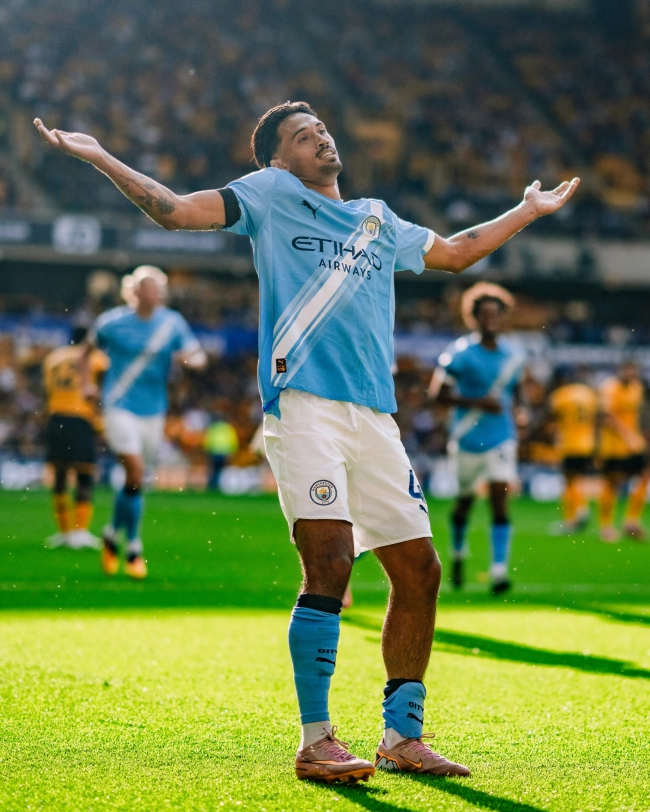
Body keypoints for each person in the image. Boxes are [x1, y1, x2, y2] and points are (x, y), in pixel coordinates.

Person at [35, 102, 578, 782]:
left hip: (374, 417)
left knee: (420, 571)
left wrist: (526, 209)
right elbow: (175, 211)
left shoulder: (378, 218)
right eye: (302, 135)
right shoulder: (270, 194)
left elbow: (457, 252)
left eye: (321, 128)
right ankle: (316, 739)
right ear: (277, 159)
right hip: (303, 409)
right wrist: (100, 156)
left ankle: (402, 737)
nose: (320, 137)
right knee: (332, 563)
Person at [83, 265, 206, 578]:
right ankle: (134, 547)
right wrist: (87, 383)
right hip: (118, 405)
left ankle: (112, 534)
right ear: (135, 291)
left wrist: (189, 360)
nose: (159, 294)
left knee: (135, 480)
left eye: (161, 288)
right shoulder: (112, 322)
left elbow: (199, 356)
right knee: (135, 471)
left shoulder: (172, 322)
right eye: (153, 288)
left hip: (153, 410)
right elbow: (85, 351)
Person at [429, 283, 524, 594]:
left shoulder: (514, 354)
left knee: (500, 500)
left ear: (503, 317)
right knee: (465, 502)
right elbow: (438, 394)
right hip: (467, 436)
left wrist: (521, 411)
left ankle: (499, 571)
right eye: (484, 314)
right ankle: (458, 555)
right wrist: (478, 403)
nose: (491, 320)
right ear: (474, 318)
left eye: (496, 314)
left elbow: (517, 390)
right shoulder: (460, 354)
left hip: (502, 436)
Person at [43, 326, 108, 549]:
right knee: (84, 475)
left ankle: (64, 532)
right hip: (80, 417)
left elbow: (48, 389)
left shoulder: (54, 358)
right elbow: (103, 388)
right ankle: (80, 532)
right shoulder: (96, 358)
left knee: (60, 475)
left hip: (56, 417)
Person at [598, 361, 649, 542]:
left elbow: (639, 414)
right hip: (614, 446)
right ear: (620, 371)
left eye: (632, 371)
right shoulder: (610, 388)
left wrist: (641, 435)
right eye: (627, 371)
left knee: (645, 476)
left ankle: (631, 521)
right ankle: (606, 526)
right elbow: (606, 416)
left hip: (634, 444)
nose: (630, 374)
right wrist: (626, 434)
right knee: (612, 483)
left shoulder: (637, 388)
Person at [547, 369, 598, 535]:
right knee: (577, 478)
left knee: (569, 480)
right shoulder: (589, 394)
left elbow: (552, 416)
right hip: (587, 443)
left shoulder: (561, 395)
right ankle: (578, 510)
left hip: (569, 443)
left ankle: (576, 513)